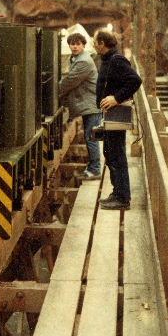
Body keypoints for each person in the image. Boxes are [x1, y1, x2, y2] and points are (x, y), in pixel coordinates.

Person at [94, 30, 142, 210]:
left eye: (95, 42)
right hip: (109, 116)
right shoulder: (107, 60)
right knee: (110, 155)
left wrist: (116, 98)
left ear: (102, 43)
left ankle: (123, 198)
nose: (94, 45)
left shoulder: (117, 60)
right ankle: (117, 192)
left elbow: (135, 80)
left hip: (116, 115)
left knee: (117, 156)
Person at [59, 33, 102, 180]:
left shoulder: (83, 61)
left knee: (91, 137)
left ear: (83, 45)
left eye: (78, 44)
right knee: (89, 136)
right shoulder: (77, 58)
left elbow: (70, 81)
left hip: (91, 105)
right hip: (88, 104)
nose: (75, 46)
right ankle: (92, 167)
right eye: (72, 44)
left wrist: (52, 92)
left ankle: (95, 170)